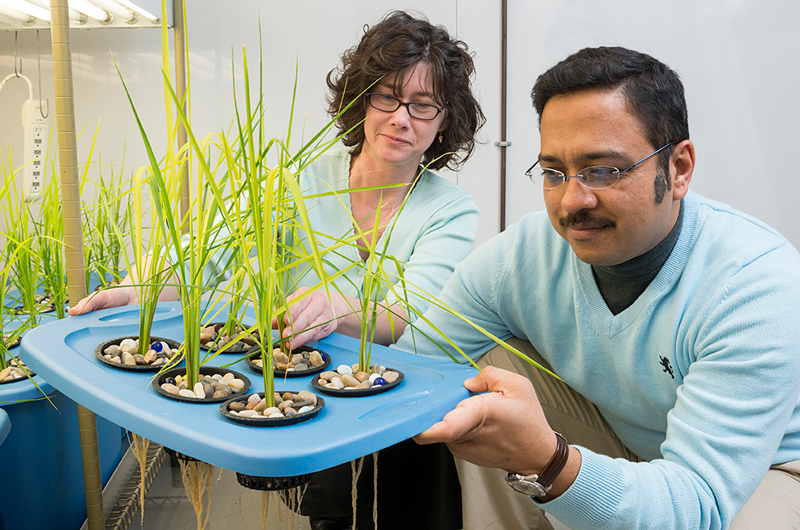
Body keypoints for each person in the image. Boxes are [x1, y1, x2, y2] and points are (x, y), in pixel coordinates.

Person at [69, 10, 485, 530]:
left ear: (445, 121)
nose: (402, 118)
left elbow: (404, 315)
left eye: (424, 105)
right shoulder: (296, 181)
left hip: (393, 409)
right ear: (361, 101)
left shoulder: (450, 208)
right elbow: (209, 260)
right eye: (387, 96)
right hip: (308, 396)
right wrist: (136, 292)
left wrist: (339, 308)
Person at [398, 46, 800, 530]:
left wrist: (548, 462)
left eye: (604, 170)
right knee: (488, 369)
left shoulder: (753, 283)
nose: (573, 200)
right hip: (628, 442)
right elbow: (413, 362)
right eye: (553, 173)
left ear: (678, 169)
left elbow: (698, 506)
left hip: (759, 472)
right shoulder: (525, 255)